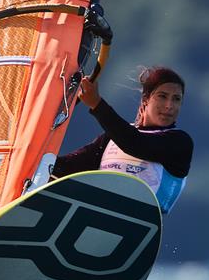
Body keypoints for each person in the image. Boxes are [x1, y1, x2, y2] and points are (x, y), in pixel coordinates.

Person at [52, 66, 193, 214]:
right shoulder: (112, 139)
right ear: (146, 99)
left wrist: (97, 104)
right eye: (162, 96)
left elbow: (136, 144)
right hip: (96, 215)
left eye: (176, 99)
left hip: (139, 224)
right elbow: (68, 166)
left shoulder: (179, 142)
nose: (169, 105)